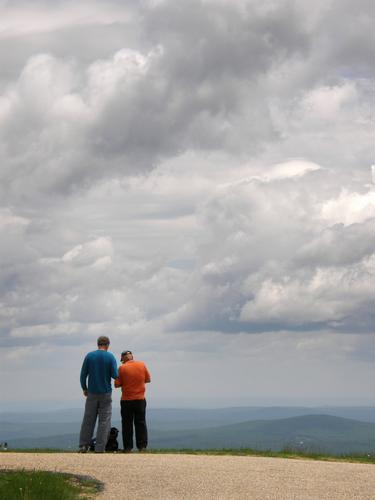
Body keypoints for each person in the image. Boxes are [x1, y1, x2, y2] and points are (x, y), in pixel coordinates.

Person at [78, 335, 118, 453]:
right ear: (107, 345)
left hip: (92, 392)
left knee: (88, 419)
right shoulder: (110, 357)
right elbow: (115, 375)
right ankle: (100, 448)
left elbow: (83, 375)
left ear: (98, 344)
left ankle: (84, 445)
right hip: (105, 393)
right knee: (104, 420)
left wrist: (84, 388)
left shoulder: (89, 356)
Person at [115, 350, 151, 452]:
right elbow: (148, 379)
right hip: (140, 399)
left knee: (127, 424)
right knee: (141, 423)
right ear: (132, 357)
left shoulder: (122, 368)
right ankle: (142, 447)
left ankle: (128, 448)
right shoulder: (142, 365)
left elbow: (116, 385)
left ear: (123, 359)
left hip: (126, 400)